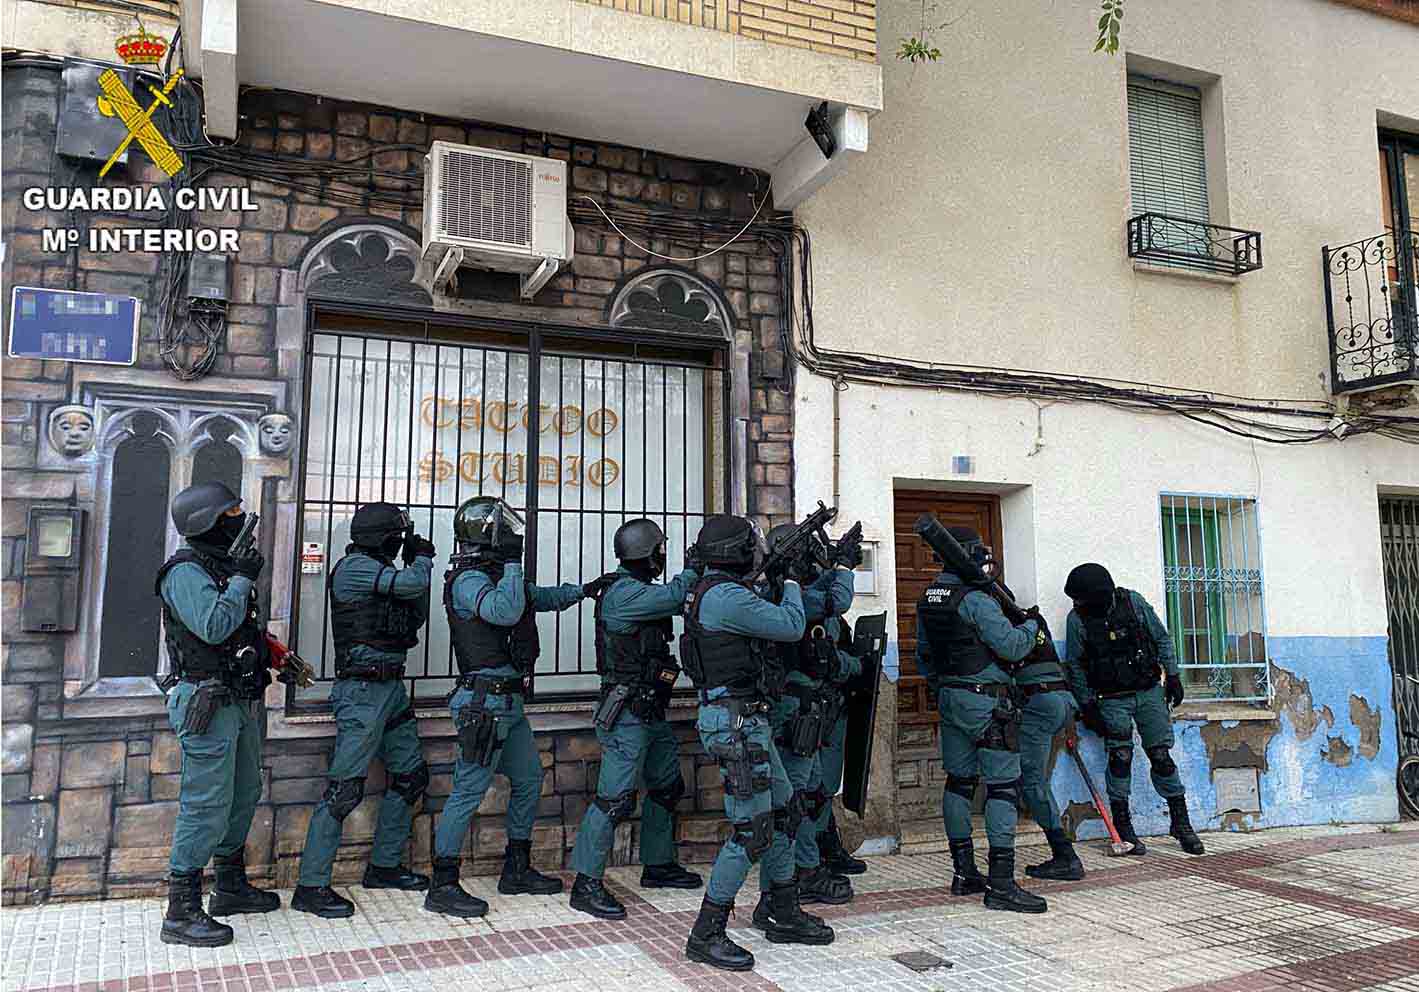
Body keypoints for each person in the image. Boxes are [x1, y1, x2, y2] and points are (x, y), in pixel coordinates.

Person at [424, 496, 603, 918]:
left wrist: (585, 590)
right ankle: (443, 883)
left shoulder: (495, 575)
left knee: (527, 779)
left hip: (508, 702)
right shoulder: (469, 580)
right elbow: (505, 612)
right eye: (504, 530)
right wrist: (512, 564)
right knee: (468, 790)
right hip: (483, 701)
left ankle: (517, 868)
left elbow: (538, 598)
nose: (512, 535)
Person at [156, 482, 313, 946]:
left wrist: (272, 652)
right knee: (206, 802)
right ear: (205, 522)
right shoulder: (184, 572)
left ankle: (229, 885)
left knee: (244, 792)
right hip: (207, 702)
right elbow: (211, 625)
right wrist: (243, 578)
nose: (239, 519)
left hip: (239, 699)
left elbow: (237, 632)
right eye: (231, 513)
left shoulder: (222, 566)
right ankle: (181, 909)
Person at [680, 514, 833, 973]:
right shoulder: (724, 596)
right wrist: (787, 579)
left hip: (746, 719)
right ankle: (705, 932)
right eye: (752, 545)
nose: (757, 551)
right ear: (734, 552)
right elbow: (789, 625)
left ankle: (780, 909)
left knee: (784, 813)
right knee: (752, 830)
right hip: (735, 725)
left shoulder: (716, 591)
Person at [293, 503, 436, 918]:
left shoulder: (382, 571)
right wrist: (422, 561)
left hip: (389, 687)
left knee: (410, 777)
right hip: (361, 690)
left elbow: (414, 608)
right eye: (397, 534)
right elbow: (410, 585)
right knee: (345, 790)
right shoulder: (354, 566)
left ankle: (385, 866)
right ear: (378, 535)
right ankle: (311, 885)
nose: (401, 541)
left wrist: (415, 568)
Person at [567, 518, 703, 920]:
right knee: (614, 799)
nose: (664, 555)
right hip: (626, 713)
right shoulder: (625, 594)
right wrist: (695, 566)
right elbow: (679, 595)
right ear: (646, 553)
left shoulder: (637, 589)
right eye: (660, 549)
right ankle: (585, 884)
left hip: (649, 708)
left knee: (666, 786)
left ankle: (658, 865)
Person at [916, 526, 1048, 914]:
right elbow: (1010, 646)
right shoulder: (976, 599)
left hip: (950, 697)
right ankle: (1003, 884)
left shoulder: (930, 596)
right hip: (986, 702)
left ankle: (964, 873)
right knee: (1003, 787)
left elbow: (925, 654)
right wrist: (1032, 627)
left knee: (958, 783)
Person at [1063, 563, 1204, 856]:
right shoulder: (1077, 620)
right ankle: (1124, 828)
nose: (1077, 604)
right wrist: (1087, 704)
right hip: (1111, 698)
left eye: (1081, 598)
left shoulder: (1132, 603)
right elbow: (1075, 664)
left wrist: (1174, 675)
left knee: (1162, 757)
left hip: (1148, 692)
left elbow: (1161, 638)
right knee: (1120, 757)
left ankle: (1181, 823)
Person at [757, 523, 859, 908]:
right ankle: (799, 875)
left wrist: (834, 562)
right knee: (795, 796)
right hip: (795, 707)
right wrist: (845, 568)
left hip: (810, 705)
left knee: (814, 790)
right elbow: (835, 601)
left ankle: (810, 862)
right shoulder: (787, 594)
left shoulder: (790, 590)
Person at [1012, 590, 1085, 881]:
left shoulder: (1005, 625)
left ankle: (1065, 857)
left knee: (1033, 782)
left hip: (1042, 704)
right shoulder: (1032, 618)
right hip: (1063, 701)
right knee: (1037, 780)